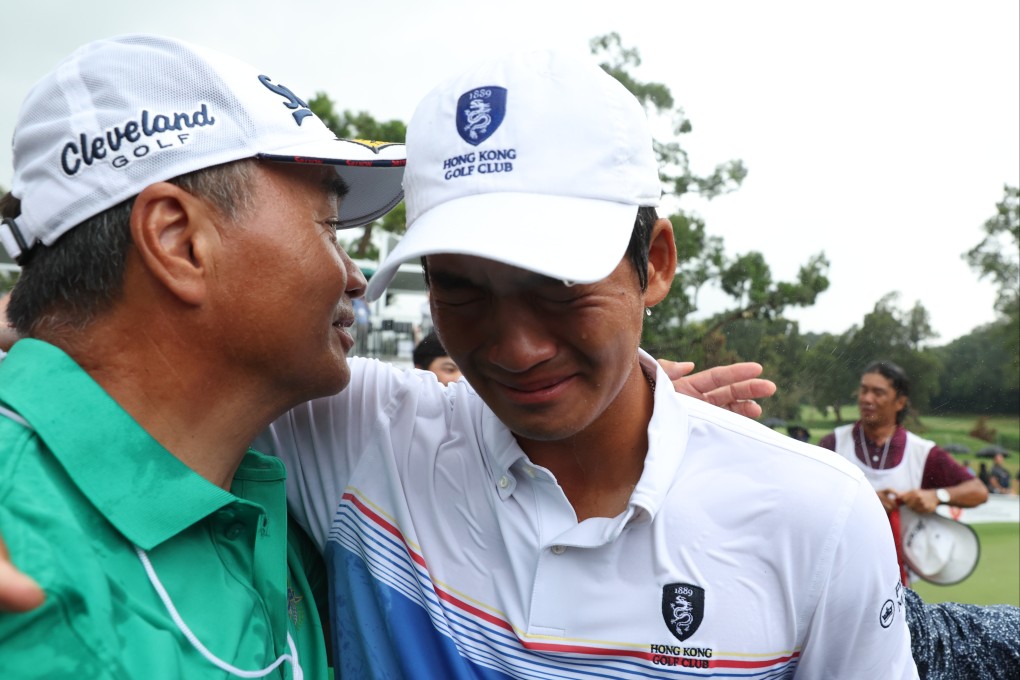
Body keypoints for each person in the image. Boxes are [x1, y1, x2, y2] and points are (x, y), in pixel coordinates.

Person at [256, 50, 917, 678]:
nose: (517, 348)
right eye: (460, 286)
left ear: (654, 263)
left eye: (559, 284)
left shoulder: (817, 515)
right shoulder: (350, 431)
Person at [0, 34, 406, 679]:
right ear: (179, 240)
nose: (355, 277)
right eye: (328, 227)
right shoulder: (24, 557)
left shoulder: (261, 483)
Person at [818, 360, 989, 583]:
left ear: (900, 402)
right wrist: (862, 501)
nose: (866, 398)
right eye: (863, 389)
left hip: (898, 583)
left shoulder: (923, 452)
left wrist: (937, 496)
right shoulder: (833, 443)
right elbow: (809, 498)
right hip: (837, 575)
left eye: (878, 392)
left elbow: (978, 491)